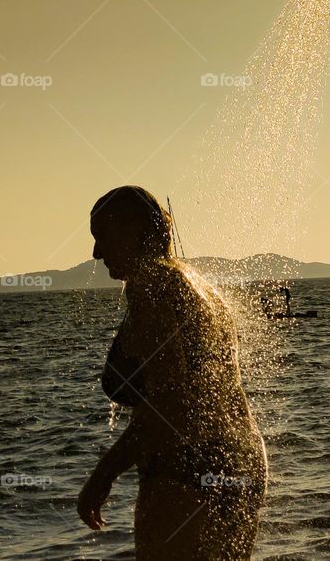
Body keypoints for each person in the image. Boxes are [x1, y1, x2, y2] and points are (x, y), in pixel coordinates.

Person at [78, 186, 268, 560]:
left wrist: (103, 476)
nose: (96, 253)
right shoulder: (196, 284)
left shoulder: (150, 285)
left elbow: (169, 404)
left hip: (186, 470)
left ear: (133, 232)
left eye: (103, 238)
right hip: (241, 463)